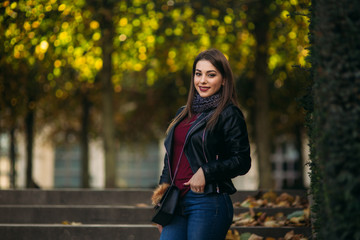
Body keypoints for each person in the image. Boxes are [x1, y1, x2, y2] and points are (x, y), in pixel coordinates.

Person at [152, 48, 251, 240]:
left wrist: (207, 171)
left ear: (223, 80)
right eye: (198, 74)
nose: (202, 80)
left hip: (208, 201)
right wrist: (161, 203)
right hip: (175, 203)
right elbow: (170, 159)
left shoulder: (229, 113)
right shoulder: (183, 113)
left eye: (211, 74)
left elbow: (242, 160)